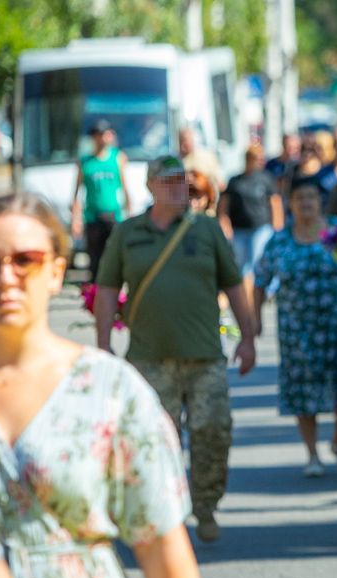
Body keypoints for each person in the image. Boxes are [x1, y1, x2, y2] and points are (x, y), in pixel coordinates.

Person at [0, 192, 207, 578]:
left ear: (56, 271)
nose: (5, 277)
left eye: (25, 260)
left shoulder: (111, 390)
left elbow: (161, 547)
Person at [95, 155, 258, 542]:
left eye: (181, 182)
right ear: (150, 186)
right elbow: (105, 290)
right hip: (149, 360)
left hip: (205, 357)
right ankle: (163, 512)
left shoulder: (206, 230)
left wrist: (248, 338)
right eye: (168, 181)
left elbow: (234, 285)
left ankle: (205, 507)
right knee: (153, 443)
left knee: (213, 432)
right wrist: (103, 346)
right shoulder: (128, 233)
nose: (177, 189)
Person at [254, 180, 337, 477]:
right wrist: (256, 319)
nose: (306, 203)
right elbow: (260, 279)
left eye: (311, 196)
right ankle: (312, 452)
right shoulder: (280, 240)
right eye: (299, 197)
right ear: (290, 204)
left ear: (321, 200)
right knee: (303, 390)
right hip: (297, 327)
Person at [219, 144, 284, 297]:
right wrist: (224, 223)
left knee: (253, 263)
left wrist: (278, 226)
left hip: (260, 227)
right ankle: (248, 295)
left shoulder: (265, 178)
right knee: (241, 264)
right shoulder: (235, 180)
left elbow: (275, 202)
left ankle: (253, 295)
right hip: (239, 228)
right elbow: (224, 205)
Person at [71, 119, 131, 282]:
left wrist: (129, 213)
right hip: (92, 216)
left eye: (106, 134)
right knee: (94, 259)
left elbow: (125, 188)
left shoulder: (117, 158)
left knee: (114, 256)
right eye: (99, 135)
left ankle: (116, 291)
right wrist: (76, 219)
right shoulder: (85, 161)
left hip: (113, 214)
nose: (103, 138)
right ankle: (94, 294)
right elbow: (76, 193)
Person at [178, 128, 223, 193]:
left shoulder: (206, 157)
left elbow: (219, 182)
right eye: (182, 141)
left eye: (187, 140)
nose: (184, 144)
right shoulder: (175, 161)